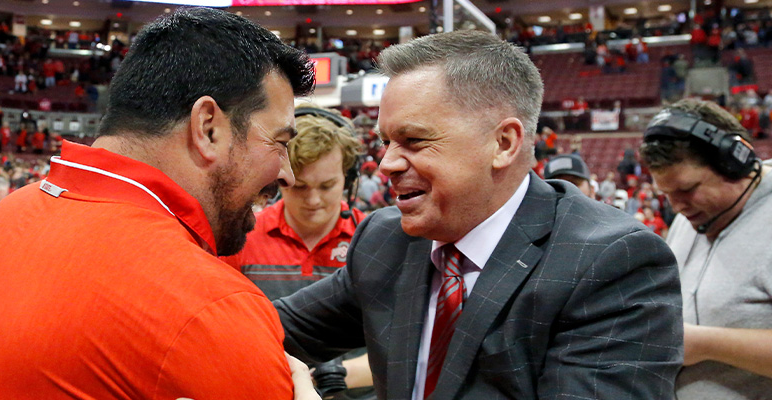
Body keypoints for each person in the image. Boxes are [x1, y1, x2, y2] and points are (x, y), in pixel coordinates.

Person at [0, 8, 318, 399]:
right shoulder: (209, 303)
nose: (288, 174)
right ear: (208, 128)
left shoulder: (10, 212)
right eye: (280, 143)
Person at [275, 29, 683, 400]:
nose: (386, 164)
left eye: (413, 140)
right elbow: (269, 330)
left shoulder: (612, 262)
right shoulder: (386, 240)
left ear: (503, 143)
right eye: (385, 142)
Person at [223, 106, 374, 398]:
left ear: (348, 178)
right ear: (280, 181)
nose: (313, 200)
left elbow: (408, 346)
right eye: (300, 187)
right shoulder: (240, 239)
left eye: (327, 185)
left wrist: (338, 376)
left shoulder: (375, 241)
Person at [640, 98, 772, 399]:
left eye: (687, 190)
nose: (677, 207)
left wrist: (704, 344)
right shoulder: (691, 216)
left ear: (736, 160)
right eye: (667, 194)